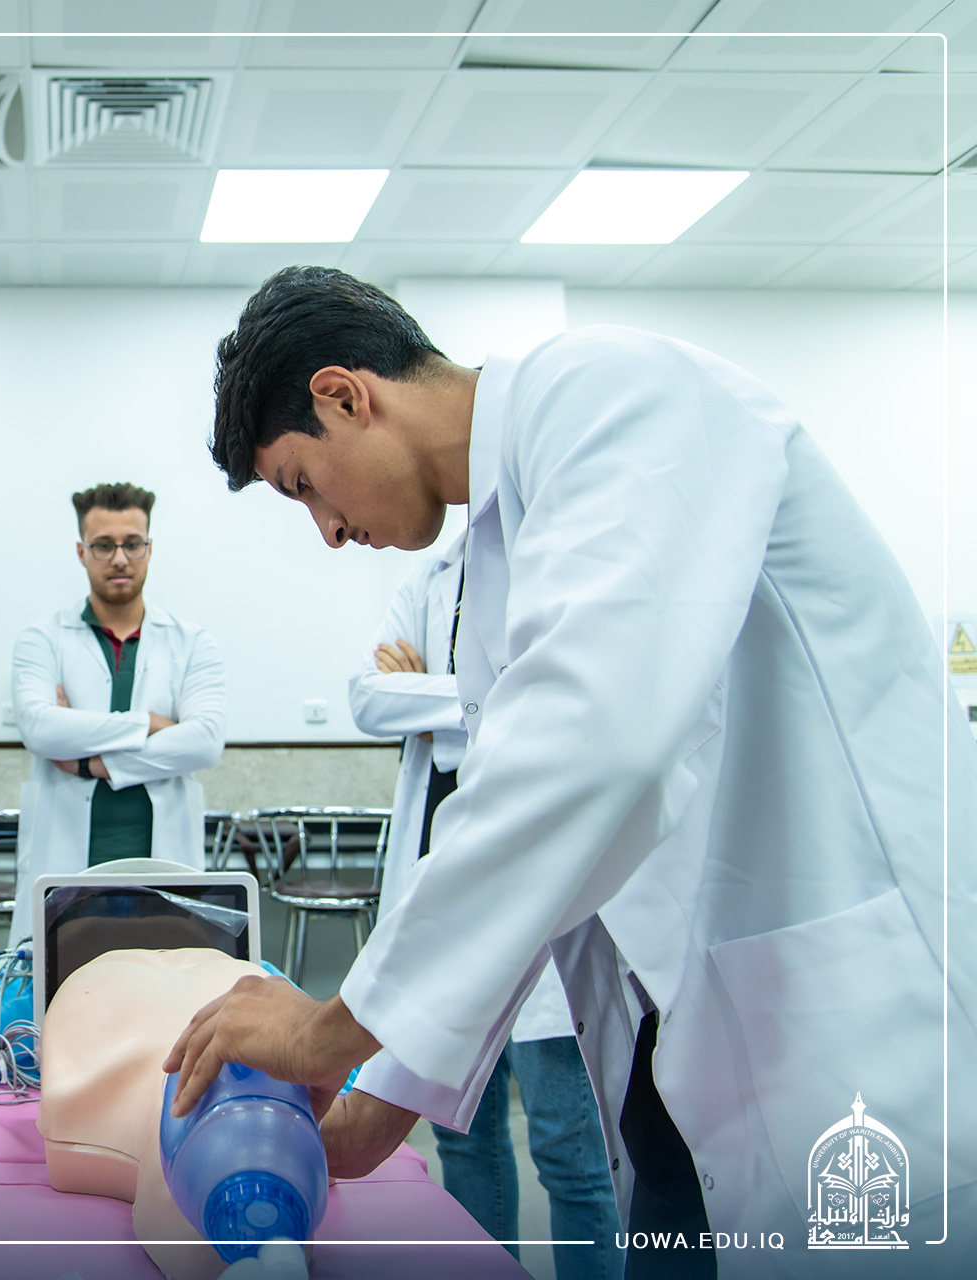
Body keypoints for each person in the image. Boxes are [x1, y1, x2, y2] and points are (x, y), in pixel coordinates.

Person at [167, 266, 976, 1278]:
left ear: (344, 396)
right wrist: (385, 1099)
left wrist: (330, 1032)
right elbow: (544, 847)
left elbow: (593, 747)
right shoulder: (507, 542)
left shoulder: (617, 397)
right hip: (684, 1063)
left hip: (850, 1039)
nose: (327, 530)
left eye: (303, 485)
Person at [350, 534, 621, 1280]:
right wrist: (486, 696)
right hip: (441, 895)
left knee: (568, 1145)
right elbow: (368, 697)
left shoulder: (554, 550)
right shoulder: (430, 574)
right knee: (460, 1136)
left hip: (542, 893)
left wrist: (430, 691)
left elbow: (560, 702)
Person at [9, 481, 227, 943]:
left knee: (168, 979)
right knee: (59, 980)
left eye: (132, 544)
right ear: (82, 552)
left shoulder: (191, 643)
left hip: (162, 868)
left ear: (149, 548)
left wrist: (92, 763)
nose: (120, 558)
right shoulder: (43, 639)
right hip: (67, 866)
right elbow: (40, 728)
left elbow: (206, 741)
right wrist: (148, 724)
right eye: (104, 545)